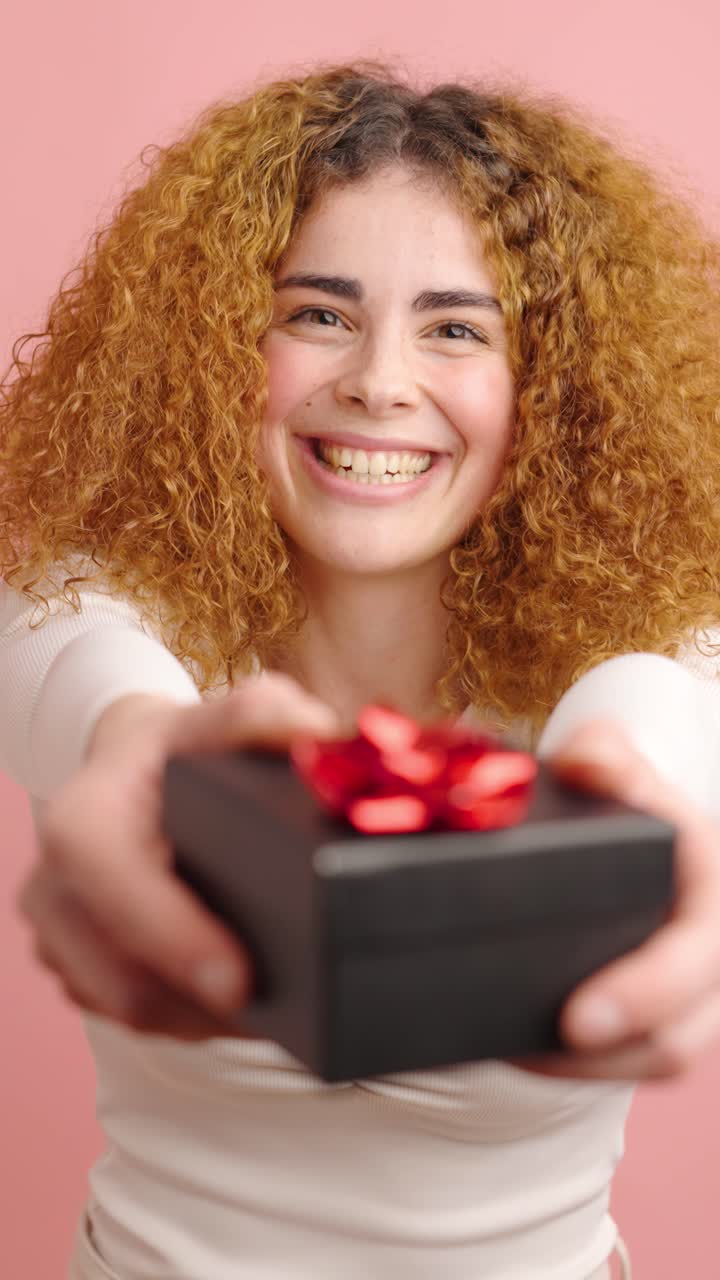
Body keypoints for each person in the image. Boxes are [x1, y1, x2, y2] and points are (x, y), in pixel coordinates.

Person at [1, 60, 719, 1280]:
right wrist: (147, 759)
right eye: (318, 314)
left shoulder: (668, 636)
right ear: (216, 346)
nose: (380, 380)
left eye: (457, 328)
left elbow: (662, 708)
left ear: (553, 394)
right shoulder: (69, 601)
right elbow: (91, 689)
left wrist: (634, 799)